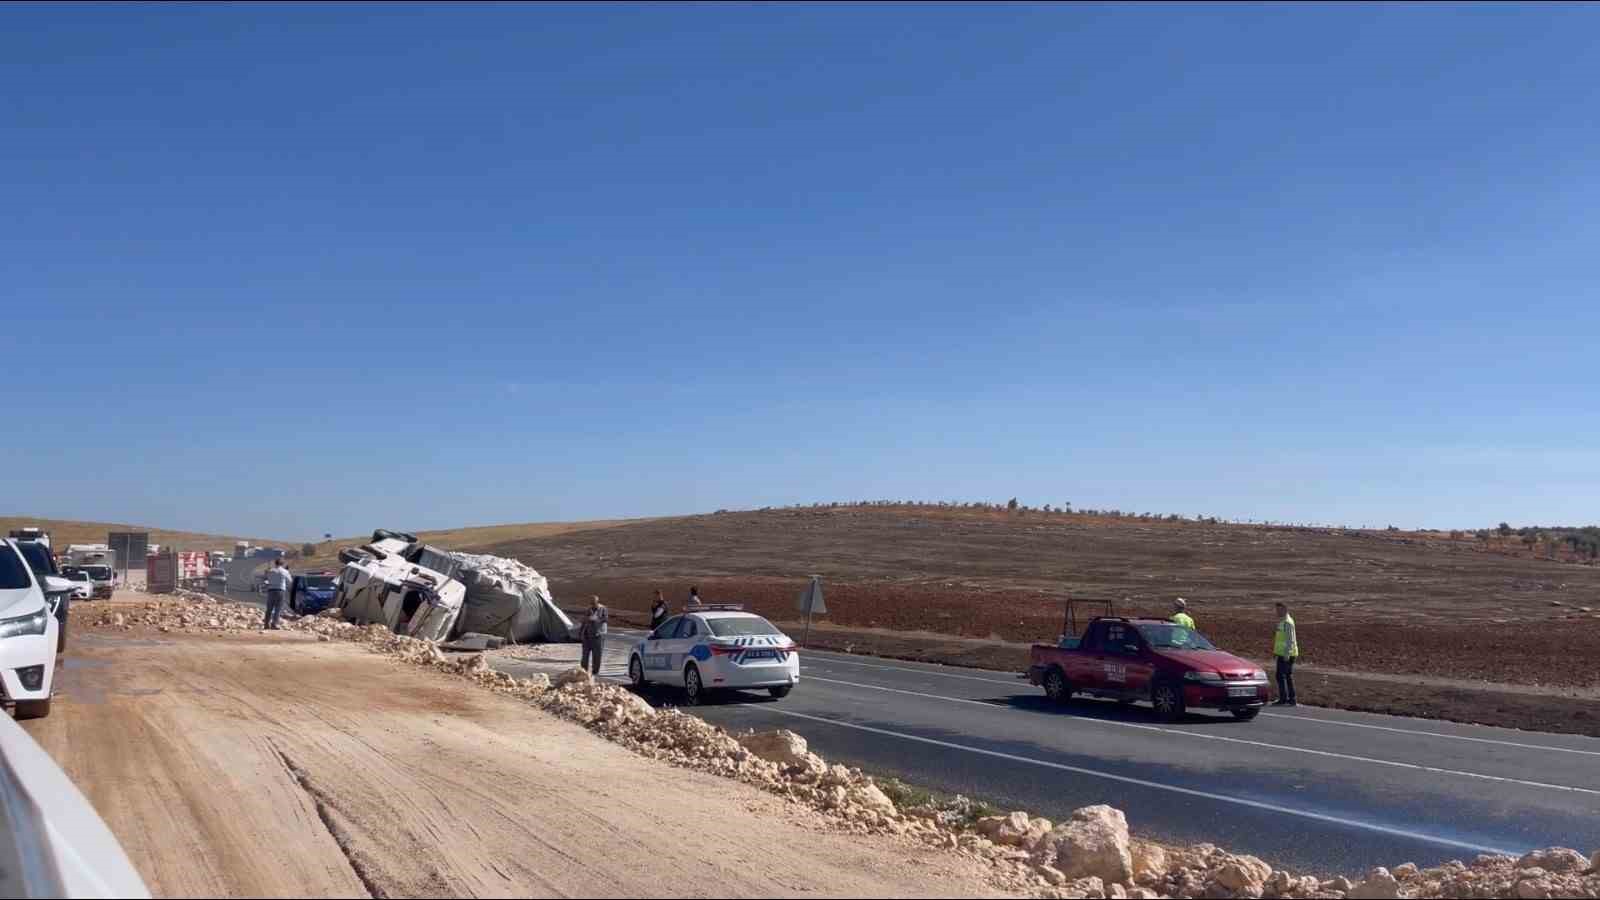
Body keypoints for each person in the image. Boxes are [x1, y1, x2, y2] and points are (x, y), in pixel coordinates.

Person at [1272, 602, 1299, 706]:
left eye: (1279, 610)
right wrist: (1276, 652)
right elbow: (1279, 639)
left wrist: (1286, 653)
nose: (1277, 612)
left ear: (1285, 609)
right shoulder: (1282, 622)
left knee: (1281, 676)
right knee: (1286, 676)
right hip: (1282, 653)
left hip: (1286, 654)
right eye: (1276, 610)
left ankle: (1284, 699)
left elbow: (1289, 639)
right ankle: (1290, 699)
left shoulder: (1287, 622)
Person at [580, 595, 608, 675]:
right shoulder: (588, 609)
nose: (592, 605)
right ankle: (584, 671)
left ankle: (595, 671)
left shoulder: (603, 609)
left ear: (597, 602)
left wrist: (596, 619)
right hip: (587, 635)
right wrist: (581, 632)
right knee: (585, 655)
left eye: (593, 603)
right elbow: (584, 621)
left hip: (598, 635)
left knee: (597, 654)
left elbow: (605, 619)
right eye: (591, 603)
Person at [262, 559, 292, 630]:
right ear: (282, 564)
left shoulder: (271, 571)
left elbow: (265, 578)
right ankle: (274, 624)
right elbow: (290, 581)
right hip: (280, 590)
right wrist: (287, 572)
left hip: (271, 590)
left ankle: (266, 624)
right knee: (278, 608)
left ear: (275, 563)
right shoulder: (284, 571)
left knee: (269, 608)